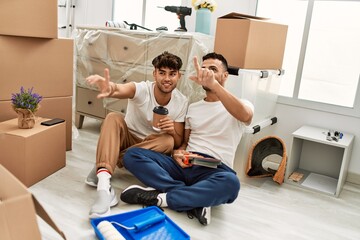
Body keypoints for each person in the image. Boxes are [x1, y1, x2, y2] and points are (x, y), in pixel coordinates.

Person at [120, 52, 254, 225]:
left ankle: (161, 198)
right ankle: (194, 199)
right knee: (132, 155)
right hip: (184, 164)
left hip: (214, 169)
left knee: (231, 184)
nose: (207, 73)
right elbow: (184, 142)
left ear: (225, 76)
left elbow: (245, 115)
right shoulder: (193, 107)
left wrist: (214, 85)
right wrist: (177, 153)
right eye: (204, 69)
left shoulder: (241, 104)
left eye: (213, 69)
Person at [85, 51, 188, 218]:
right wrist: (110, 88)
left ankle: (108, 159)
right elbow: (121, 89)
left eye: (172, 74)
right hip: (128, 138)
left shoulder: (181, 101)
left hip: (149, 148)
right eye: (162, 73)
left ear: (179, 76)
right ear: (154, 73)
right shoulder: (142, 89)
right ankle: (104, 188)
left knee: (168, 140)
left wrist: (171, 130)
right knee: (113, 117)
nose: (167, 78)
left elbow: (177, 142)